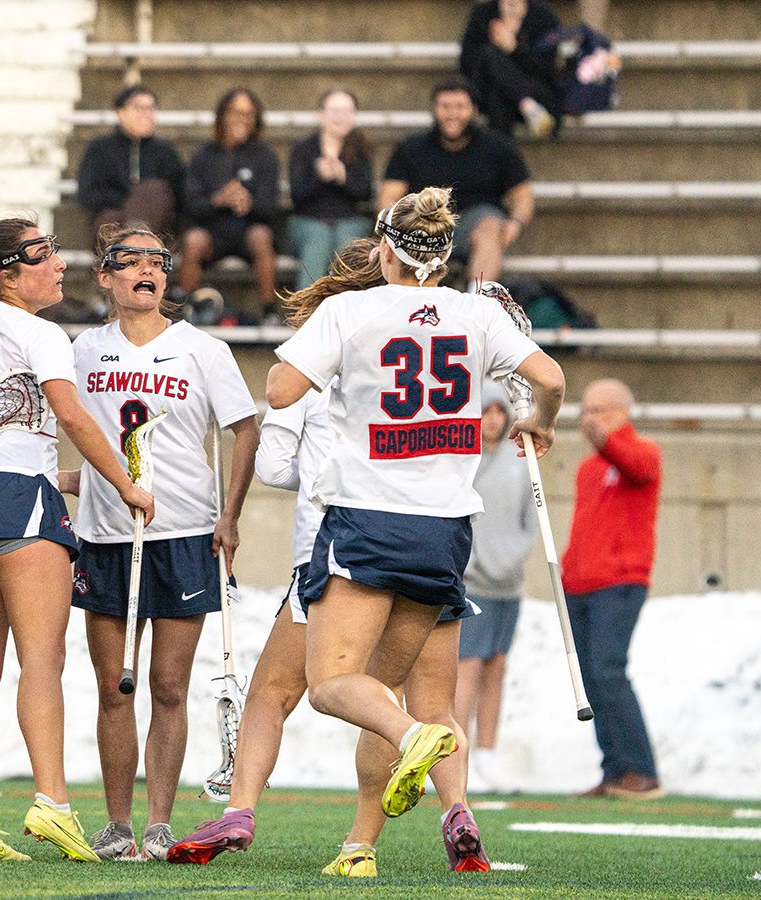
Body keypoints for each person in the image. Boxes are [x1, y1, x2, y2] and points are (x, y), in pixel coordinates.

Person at [168, 239, 492, 875]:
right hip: (435, 542)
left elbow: (275, 463)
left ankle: (240, 811)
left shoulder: (327, 357)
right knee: (418, 699)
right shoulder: (447, 336)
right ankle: (403, 830)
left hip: (343, 553)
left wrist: (323, 479)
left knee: (280, 693)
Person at [264, 189, 564, 842]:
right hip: (447, 529)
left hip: (367, 517)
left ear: (383, 251)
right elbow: (553, 380)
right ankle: (420, 815)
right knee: (395, 682)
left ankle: (414, 736)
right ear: (446, 254)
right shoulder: (475, 315)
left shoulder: (352, 309)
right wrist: (537, 425)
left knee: (334, 684)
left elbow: (281, 391)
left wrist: (338, 362)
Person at [0, 217, 155, 863]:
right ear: (8, 273)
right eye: (43, 254)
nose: (59, 264)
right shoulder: (40, 330)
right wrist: (126, 483)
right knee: (42, 662)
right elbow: (70, 414)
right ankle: (53, 803)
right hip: (17, 499)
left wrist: (63, 474)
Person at [64, 224, 259, 861]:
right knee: (113, 686)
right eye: (131, 261)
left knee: (168, 685)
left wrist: (228, 515)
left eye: (157, 261)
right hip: (106, 535)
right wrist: (72, 480)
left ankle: (158, 822)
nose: (146, 270)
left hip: (182, 534)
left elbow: (244, 429)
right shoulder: (82, 351)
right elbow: (63, 423)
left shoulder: (202, 351)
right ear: (105, 275)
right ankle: (117, 824)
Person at [564, 378, 663, 799]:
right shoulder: (589, 468)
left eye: (597, 410)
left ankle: (642, 769)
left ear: (622, 412)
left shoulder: (642, 453)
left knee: (609, 670)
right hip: (581, 585)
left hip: (619, 581)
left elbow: (635, 466)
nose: (588, 419)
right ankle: (615, 769)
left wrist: (607, 441)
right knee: (592, 678)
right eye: (584, 410)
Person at [455, 380, 538, 795]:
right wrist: (470, 564)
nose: (494, 420)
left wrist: (511, 559)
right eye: (486, 412)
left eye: (500, 412)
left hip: (509, 583)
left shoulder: (520, 462)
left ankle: (487, 753)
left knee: (496, 666)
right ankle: (456, 753)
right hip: (472, 581)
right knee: (465, 666)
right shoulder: (462, 460)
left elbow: (531, 520)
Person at [380, 77, 535, 284]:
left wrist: (515, 223)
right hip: (425, 223)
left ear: (475, 110)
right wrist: (398, 228)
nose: (452, 114)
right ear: (434, 110)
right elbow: (389, 195)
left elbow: (522, 195)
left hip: (478, 224)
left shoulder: (498, 147)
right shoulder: (411, 148)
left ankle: (477, 299)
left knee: (491, 226)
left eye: (460, 106)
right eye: (445, 106)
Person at [178, 88, 282, 325]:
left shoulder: (265, 156)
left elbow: (270, 210)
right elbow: (191, 207)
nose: (242, 119)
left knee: (261, 236)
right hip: (212, 233)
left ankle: (270, 312)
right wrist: (218, 200)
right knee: (194, 240)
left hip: (248, 233)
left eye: (249, 114)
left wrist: (248, 203)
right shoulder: (202, 156)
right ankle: (185, 312)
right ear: (223, 115)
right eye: (236, 112)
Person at [286, 88, 375, 291]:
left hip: (348, 221)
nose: (340, 117)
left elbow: (366, 193)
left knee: (348, 241)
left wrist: (344, 178)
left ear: (355, 116)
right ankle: (307, 310)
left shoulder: (361, 147)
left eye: (347, 111)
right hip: (308, 222)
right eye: (334, 110)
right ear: (320, 114)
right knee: (319, 237)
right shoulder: (303, 148)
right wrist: (319, 178)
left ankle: (348, 311)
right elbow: (296, 196)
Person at [76, 85, 185, 246]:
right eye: (138, 108)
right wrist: (130, 203)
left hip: (157, 227)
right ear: (120, 112)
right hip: (114, 221)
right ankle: (133, 249)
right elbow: (88, 193)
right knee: (109, 222)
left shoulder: (165, 152)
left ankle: (135, 245)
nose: (146, 114)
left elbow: (179, 193)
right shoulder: (100, 149)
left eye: (150, 108)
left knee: (154, 189)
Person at [459, 0, 563, 136]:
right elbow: (467, 63)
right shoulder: (483, 14)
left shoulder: (544, 16)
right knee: (489, 54)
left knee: (498, 94)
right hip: (487, 91)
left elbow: (547, 70)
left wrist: (515, 50)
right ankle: (527, 104)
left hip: (535, 92)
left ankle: (500, 156)